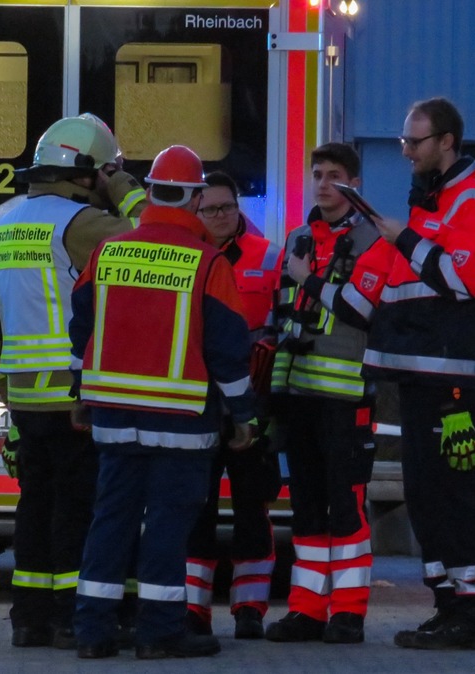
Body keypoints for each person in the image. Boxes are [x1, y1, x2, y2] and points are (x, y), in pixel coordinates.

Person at [0, 113, 146, 649]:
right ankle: (71, 616)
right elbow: (160, 242)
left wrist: (4, 381)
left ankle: (29, 620)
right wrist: (129, 191)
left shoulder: (2, 226)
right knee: (77, 509)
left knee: (35, 509)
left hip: (24, 396)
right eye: (107, 173)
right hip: (72, 397)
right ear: (90, 174)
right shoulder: (80, 223)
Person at [69, 145, 254, 660]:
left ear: (149, 192)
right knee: (167, 529)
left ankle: (93, 631)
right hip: (180, 421)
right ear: (195, 198)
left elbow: (81, 328)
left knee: (111, 521)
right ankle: (159, 632)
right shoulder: (208, 262)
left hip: (113, 418)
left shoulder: (109, 254)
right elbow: (227, 352)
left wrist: (81, 396)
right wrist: (245, 416)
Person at [364, 97, 475, 650]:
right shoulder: (432, 202)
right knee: (424, 494)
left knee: (447, 494)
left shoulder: (469, 201)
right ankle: (449, 606)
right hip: (423, 373)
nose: (406, 152)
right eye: (402, 141)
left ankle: (473, 613)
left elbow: (462, 281)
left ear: (446, 141)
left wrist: (402, 238)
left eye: (413, 142)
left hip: (449, 379)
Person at [263, 143, 394, 645]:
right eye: (316, 174)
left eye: (334, 175)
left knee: (348, 507)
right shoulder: (298, 237)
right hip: (298, 397)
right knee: (308, 509)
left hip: (347, 400)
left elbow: (361, 308)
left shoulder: (372, 240)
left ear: (354, 184)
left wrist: (309, 280)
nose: (322, 184)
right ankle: (306, 610)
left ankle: (348, 613)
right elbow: (281, 311)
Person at [183, 171, 283, 640]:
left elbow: (284, 328)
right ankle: (193, 611)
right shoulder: (184, 258)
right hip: (195, 406)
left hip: (250, 407)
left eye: (227, 207)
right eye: (210, 209)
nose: (220, 217)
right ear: (195, 211)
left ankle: (250, 610)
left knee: (252, 511)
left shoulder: (270, 257)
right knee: (194, 511)